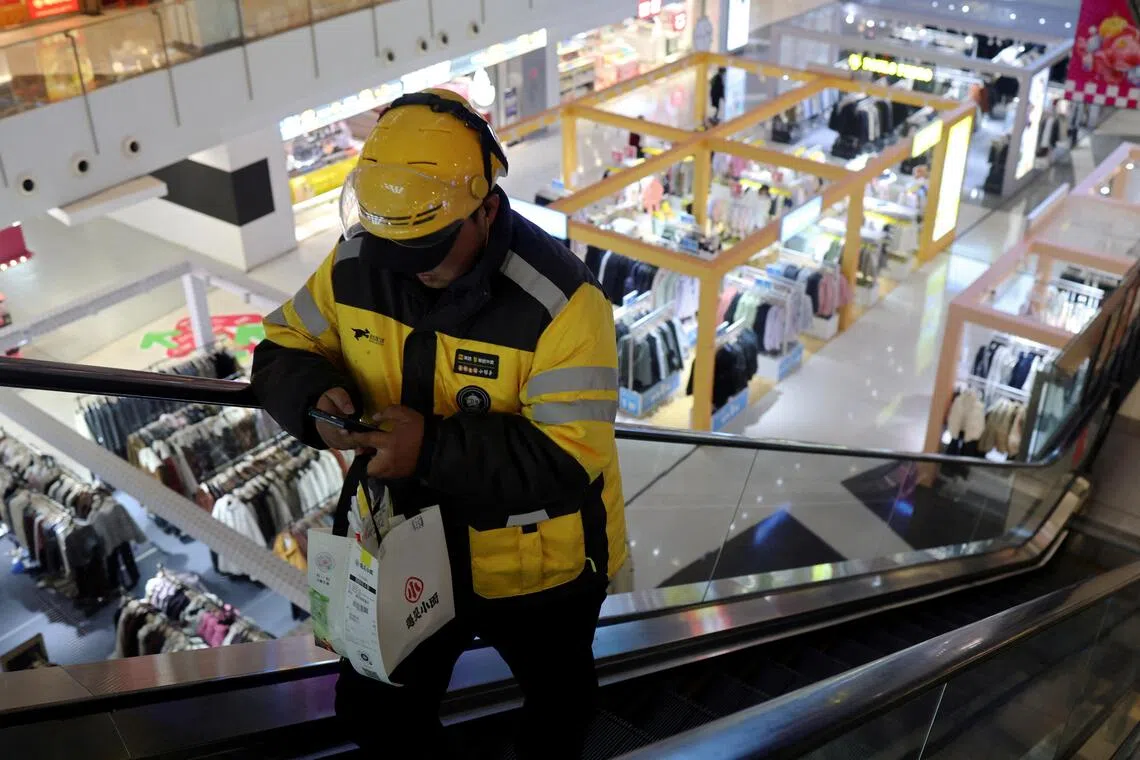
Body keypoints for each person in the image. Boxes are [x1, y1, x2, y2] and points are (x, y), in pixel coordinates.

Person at [251, 88, 627, 758]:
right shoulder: (356, 263)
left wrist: (427, 449)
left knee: (559, 707)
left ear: (486, 209)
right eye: (396, 248)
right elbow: (283, 347)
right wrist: (314, 402)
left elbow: (570, 456)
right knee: (375, 710)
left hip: (540, 570)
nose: (411, 268)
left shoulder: (565, 305)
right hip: (404, 549)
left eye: (430, 245)